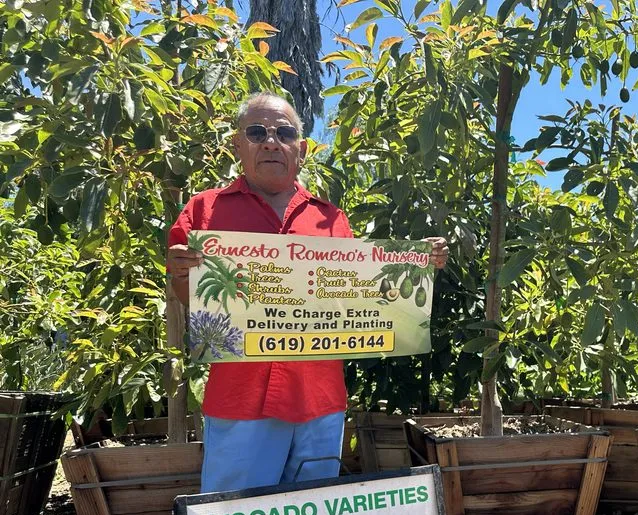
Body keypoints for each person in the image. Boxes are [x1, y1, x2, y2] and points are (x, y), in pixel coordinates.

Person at [166, 92, 448, 492]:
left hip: (319, 398)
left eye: (284, 132)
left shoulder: (331, 219)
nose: (271, 141)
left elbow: (358, 295)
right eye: (257, 131)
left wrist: (419, 264)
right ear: (237, 145)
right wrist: (180, 273)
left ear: (301, 148)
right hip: (240, 398)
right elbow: (189, 299)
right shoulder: (204, 210)